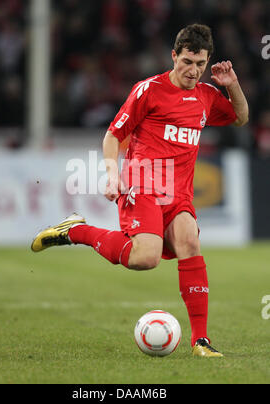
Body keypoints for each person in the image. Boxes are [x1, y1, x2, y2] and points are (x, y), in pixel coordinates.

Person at [31, 24, 249, 357]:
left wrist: (232, 85)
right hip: (142, 184)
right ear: (174, 56)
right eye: (187, 62)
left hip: (180, 194)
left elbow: (240, 117)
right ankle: (76, 231)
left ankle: (200, 342)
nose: (193, 71)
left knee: (190, 241)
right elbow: (112, 136)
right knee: (145, 259)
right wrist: (112, 173)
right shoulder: (148, 90)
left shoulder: (206, 96)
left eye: (200, 64)